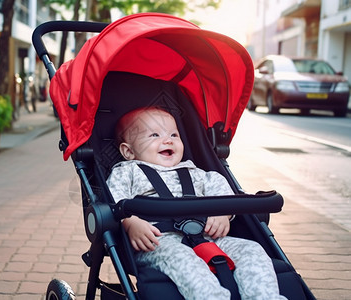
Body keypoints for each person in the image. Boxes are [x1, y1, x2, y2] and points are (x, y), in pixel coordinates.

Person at [106, 107, 286, 300]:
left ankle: (264, 297)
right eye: (154, 135)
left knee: (252, 250)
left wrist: (222, 214)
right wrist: (130, 222)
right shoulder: (127, 172)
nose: (168, 140)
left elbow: (222, 192)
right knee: (184, 261)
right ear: (128, 151)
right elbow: (115, 200)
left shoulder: (196, 172)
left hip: (208, 236)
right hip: (159, 241)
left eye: (174, 134)